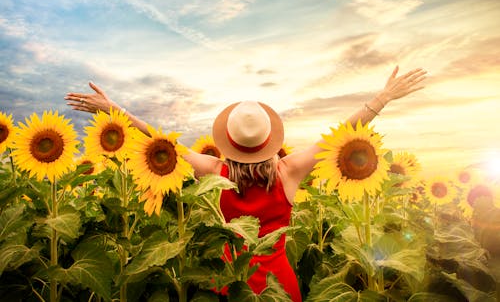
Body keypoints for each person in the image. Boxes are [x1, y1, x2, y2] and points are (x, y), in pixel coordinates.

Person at [65, 65, 426, 301]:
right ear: (270, 139)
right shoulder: (291, 171)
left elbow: (163, 143)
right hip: (280, 287)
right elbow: (344, 134)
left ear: (227, 140)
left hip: (229, 285)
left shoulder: (212, 172)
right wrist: (382, 98)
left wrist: (113, 109)